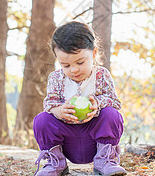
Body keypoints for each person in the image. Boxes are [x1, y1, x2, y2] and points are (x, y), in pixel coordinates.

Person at [33, 21, 127, 176]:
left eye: (80, 62)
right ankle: (55, 163)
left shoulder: (102, 75)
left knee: (112, 115)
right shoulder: (56, 78)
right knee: (42, 120)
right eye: (66, 65)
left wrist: (98, 104)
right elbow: (49, 103)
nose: (74, 69)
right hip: (67, 140)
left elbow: (114, 101)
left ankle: (105, 161)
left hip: (95, 140)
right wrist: (58, 110)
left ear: (94, 52)